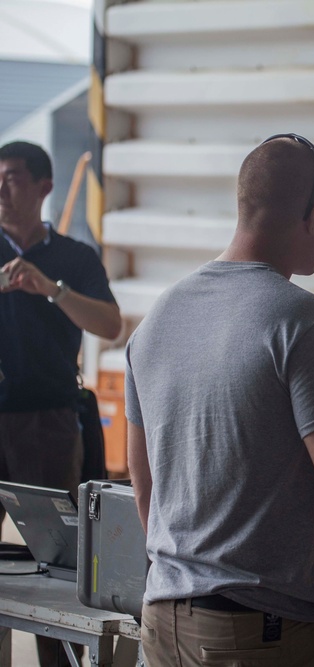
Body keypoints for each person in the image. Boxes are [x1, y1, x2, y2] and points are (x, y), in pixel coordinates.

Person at [125, 134, 314, 667]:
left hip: (163, 617)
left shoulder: (158, 319)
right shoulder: (302, 321)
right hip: (258, 629)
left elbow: (143, 481)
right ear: (312, 216)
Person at [0, 141, 121, 667]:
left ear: (45, 187)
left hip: (49, 424)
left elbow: (111, 326)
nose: (1, 190)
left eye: (13, 178)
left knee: (55, 564)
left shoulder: (74, 258)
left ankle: (59, 658)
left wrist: (52, 290)